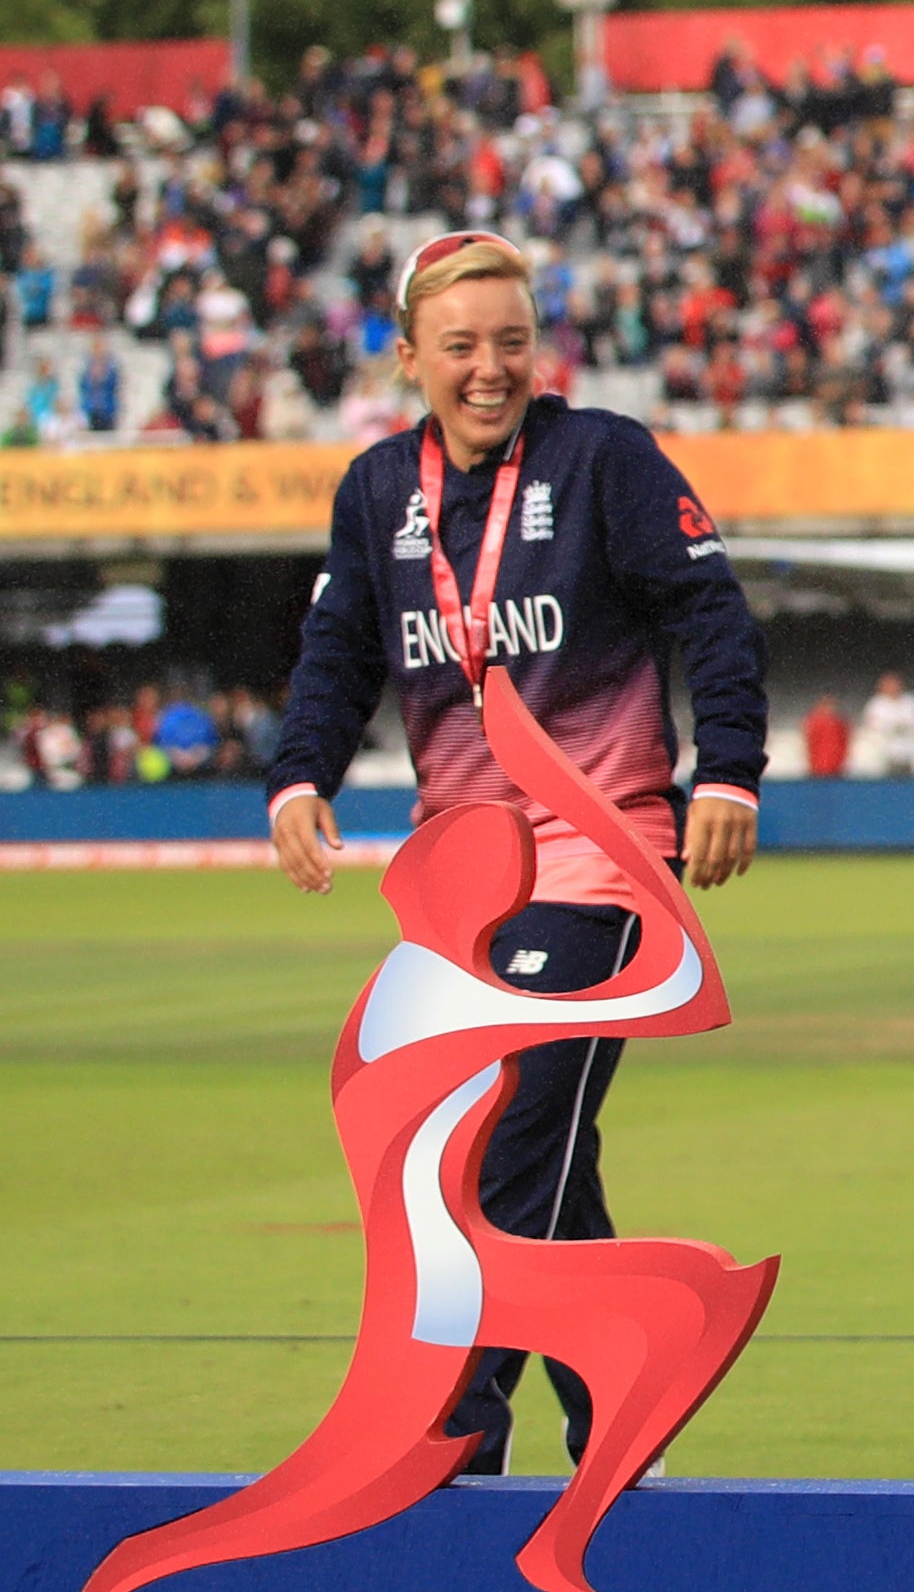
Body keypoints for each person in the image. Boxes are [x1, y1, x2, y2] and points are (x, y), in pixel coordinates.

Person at [262, 226, 770, 1476]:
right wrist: (296, 776)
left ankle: (456, 1429)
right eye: (460, 346)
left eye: (511, 341)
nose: (490, 368)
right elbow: (340, 655)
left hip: (604, 868)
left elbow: (712, 611)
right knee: (542, 1159)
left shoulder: (605, 460)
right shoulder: (378, 491)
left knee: (504, 1137)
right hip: (463, 891)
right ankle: (623, 1399)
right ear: (408, 357)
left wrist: (734, 773)